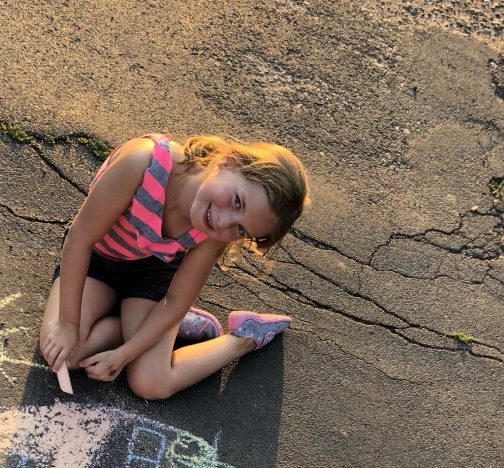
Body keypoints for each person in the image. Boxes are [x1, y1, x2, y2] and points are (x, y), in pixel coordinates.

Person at [40, 133, 310, 400]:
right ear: (230, 161)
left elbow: (177, 301)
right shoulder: (143, 162)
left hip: (151, 273)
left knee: (150, 383)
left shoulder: (216, 232)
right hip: (96, 259)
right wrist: (68, 324)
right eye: (237, 201)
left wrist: (124, 354)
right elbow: (80, 240)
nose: (223, 221)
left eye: (241, 229)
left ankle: (242, 339)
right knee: (64, 354)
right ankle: (165, 326)